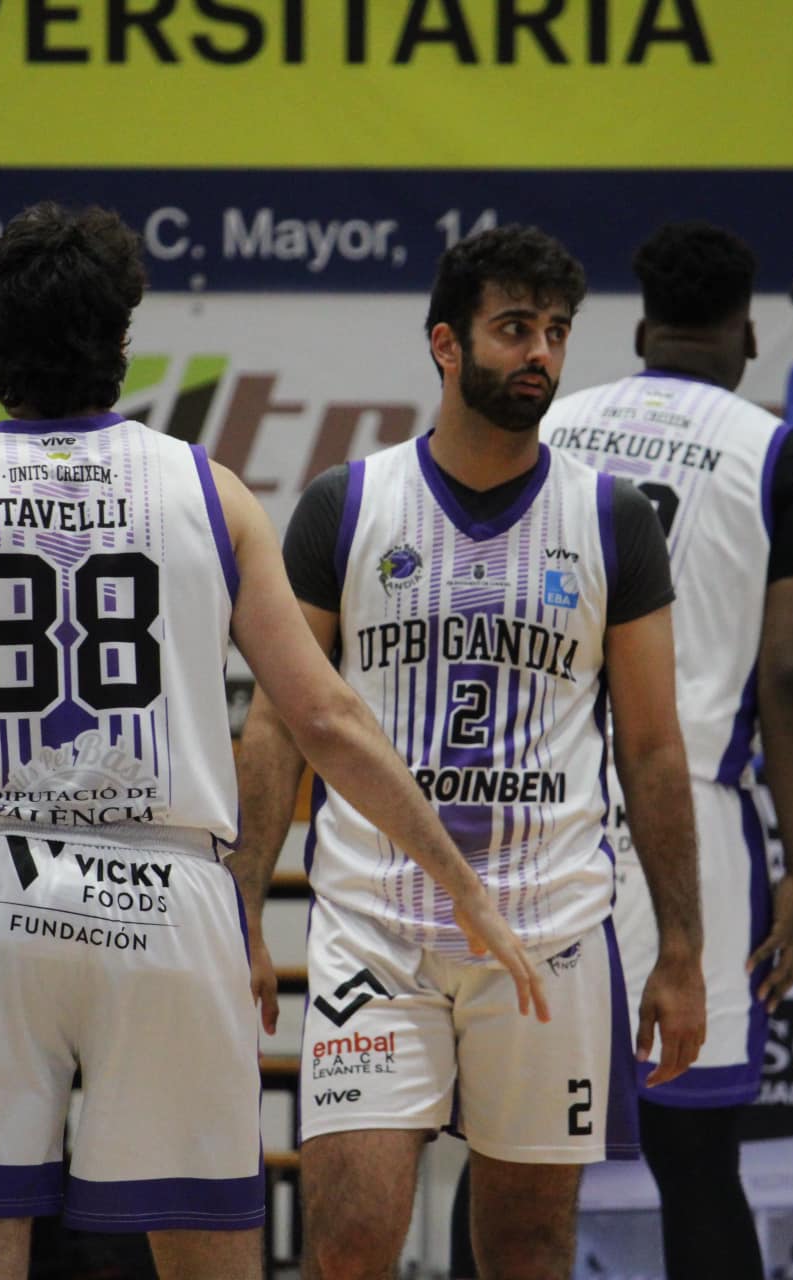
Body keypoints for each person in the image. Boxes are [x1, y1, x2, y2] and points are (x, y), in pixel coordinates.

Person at [0, 202, 546, 1280]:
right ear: (122, 339)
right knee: (208, 1251)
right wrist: (465, 884)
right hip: (167, 896)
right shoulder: (206, 492)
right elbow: (329, 718)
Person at [230, 223, 709, 1280]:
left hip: (550, 931)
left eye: (554, 330)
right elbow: (275, 726)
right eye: (512, 328)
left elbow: (655, 748)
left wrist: (681, 948)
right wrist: (242, 907)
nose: (539, 351)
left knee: (529, 1247)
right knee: (351, 1240)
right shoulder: (344, 504)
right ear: (445, 343)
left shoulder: (611, 516)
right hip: (375, 925)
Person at [528, 220, 793, 1278]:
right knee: (698, 1159)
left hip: (539, 812)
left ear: (639, 326)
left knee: (513, 1155)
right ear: (749, 331)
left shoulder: (550, 427)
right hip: (690, 825)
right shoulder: (784, 458)